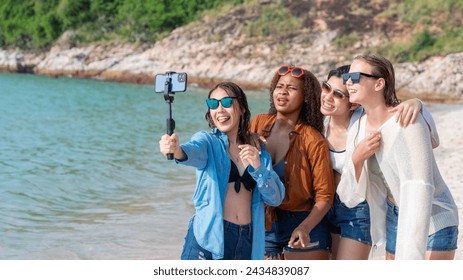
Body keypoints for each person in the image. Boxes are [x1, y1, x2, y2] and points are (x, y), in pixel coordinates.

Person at [337, 54, 459, 260]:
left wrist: (417, 103)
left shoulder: (407, 120)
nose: (348, 81)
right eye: (347, 76)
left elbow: (420, 187)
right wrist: (357, 158)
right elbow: (349, 195)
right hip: (394, 215)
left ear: (379, 84)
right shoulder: (358, 124)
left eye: (356, 76)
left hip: (433, 216)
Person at [321, 65, 438, 260]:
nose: (328, 96)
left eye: (338, 94)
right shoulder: (319, 124)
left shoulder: (364, 122)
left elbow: (394, 112)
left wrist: (417, 104)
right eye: (326, 88)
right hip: (324, 207)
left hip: (357, 209)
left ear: (353, 104)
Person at [159, 82, 284, 260]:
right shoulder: (208, 142)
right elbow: (191, 151)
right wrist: (176, 150)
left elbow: (275, 198)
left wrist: (258, 168)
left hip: (247, 239)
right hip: (209, 238)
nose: (219, 110)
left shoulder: (258, 152)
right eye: (213, 104)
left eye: (226, 103)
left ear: (241, 107)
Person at [249, 65, 335, 260]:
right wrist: (246, 136)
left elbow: (325, 197)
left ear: (306, 96)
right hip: (265, 222)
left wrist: (304, 227)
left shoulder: (313, 140)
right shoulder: (257, 124)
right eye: (279, 86)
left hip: (305, 223)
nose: (283, 92)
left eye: (292, 88)